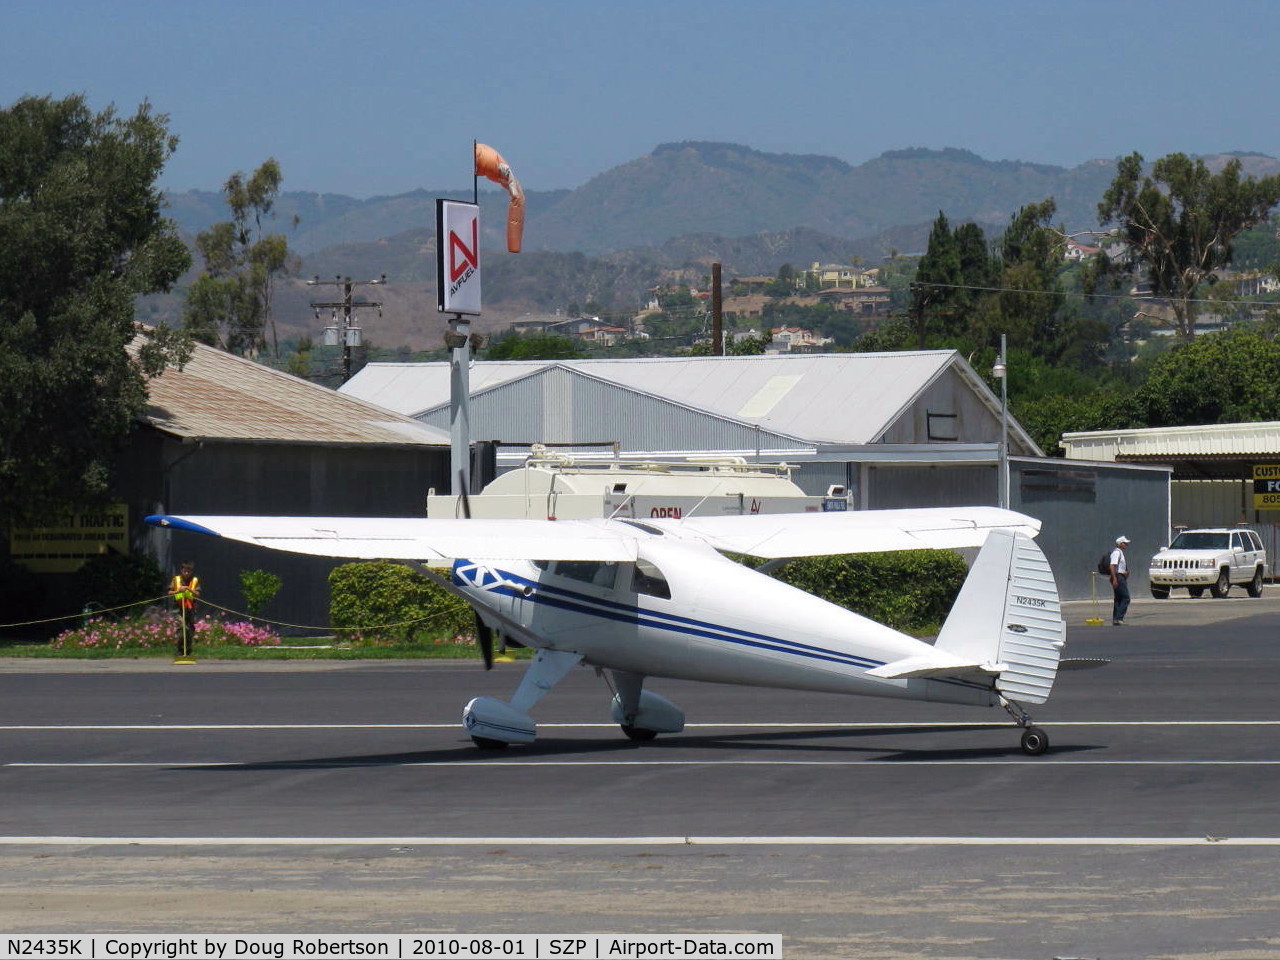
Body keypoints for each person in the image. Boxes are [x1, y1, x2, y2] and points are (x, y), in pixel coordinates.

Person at [168, 560, 201, 657]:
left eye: (189, 571)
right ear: (181, 570)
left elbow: (198, 594)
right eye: (185, 571)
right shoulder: (176, 580)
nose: (186, 573)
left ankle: (188, 650)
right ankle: (179, 649)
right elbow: (169, 592)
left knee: (190, 630)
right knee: (182, 629)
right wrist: (178, 591)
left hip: (190, 609)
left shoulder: (194, 580)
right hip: (178, 609)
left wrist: (189, 589)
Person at [1109, 536, 1131, 625]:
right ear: (1120, 544)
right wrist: (1114, 578)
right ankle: (1119, 618)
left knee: (1118, 598)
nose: (1126, 545)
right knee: (1126, 598)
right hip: (1118, 577)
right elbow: (1112, 565)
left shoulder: (1120, 553)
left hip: (1120, 576)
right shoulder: (1117, 553)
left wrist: (1124, 573)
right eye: (1125, 543)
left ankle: (1116, 619)